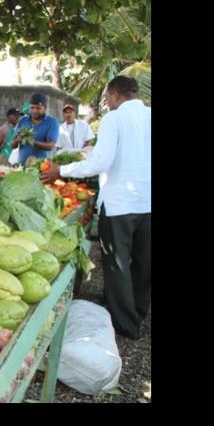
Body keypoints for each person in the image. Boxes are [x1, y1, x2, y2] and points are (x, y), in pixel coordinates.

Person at [39, 76, 151, 339]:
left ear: (115, 95)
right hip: (147, 202)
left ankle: (125, 324)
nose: (107, 105)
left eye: (107, 99)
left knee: (118, 264)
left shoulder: (114, 118)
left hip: (120, 202)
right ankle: (138, 311)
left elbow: (100, 162)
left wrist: (61, 170)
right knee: (144, 263)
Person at [10, 92, 60, 164]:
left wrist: (33, 142)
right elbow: (12, 145)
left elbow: (50, 145)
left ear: (45, 108)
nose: (34, 111)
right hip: (22, 166)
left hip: (42, 167)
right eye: (32, 107)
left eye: (38, 108)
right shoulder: (22, 121)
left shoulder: (52, 122)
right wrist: (18, 140)